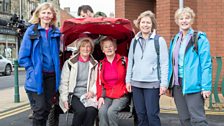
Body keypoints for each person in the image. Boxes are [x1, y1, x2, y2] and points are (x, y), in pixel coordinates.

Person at [18, 2, 61, 126]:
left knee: (47, 109)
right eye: (44, 12)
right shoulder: (32, 31)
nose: (46, 15)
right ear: (39, 14)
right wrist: (32, 70)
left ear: (53, 15)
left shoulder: (56, 33)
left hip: (52, 76)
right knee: (39, 110)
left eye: (49, 13)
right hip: (37, 77)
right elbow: (23, 57)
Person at [168, 7, 212, 126]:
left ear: (191, 20)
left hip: (194, 85)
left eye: (187, 18)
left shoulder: (200, 38)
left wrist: (206, 87)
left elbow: (206, 64)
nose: (184, 21)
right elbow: (171, 63)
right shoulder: (175, 39)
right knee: (184, 119)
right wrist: (168, 83)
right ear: (177, 21)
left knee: (198, 120)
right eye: (181, 18)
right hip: (178, 85)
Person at [125, 10, 169, 126]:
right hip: (136, 84)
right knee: (140, 115)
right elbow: (131, 63)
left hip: (152, 84)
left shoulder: (159, 41)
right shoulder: (134, 41)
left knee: (152, 115)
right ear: (139, 24)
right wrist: (128, 81)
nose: (145, 25)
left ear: (152, 24)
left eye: (148, 22)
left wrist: (164, 84)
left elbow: (164, 64)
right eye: (143, 22)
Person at [59, 37, 98, 126]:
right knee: (81, 111)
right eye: (83, 46)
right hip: (73, 95)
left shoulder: (95, 64)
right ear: (79, 48)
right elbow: (64, 83)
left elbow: (97, 81)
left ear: (91, 49)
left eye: (88, 47)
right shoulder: (69, 63)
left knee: (91, 111)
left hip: (88, 95)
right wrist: (64, 99)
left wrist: (92, 92)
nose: (86, 49)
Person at [96, 36, 129, 126]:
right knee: (102, 111)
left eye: (111, 46)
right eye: (106, 47)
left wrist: (127, 89)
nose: (109, 48)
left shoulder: (124, 60)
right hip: (107, 95)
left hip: (121, 94)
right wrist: (100, 97)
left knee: (111, 112)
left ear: (115, 47)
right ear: (103, 50)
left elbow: (130, 76)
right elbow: (99, 83)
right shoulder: (101, 64)